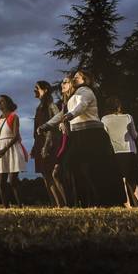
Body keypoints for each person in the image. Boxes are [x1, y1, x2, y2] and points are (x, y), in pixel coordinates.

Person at [38, 71, 125, 207]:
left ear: (85, 79)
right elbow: (62, 113)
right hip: (78, 136)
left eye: (77, 76)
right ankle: (84, 202)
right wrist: (46, 125)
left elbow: (82, 106)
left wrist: (70, 115)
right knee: (70, 167)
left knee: (95, 169)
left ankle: (103, 202)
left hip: (92, 134)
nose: (74, 78)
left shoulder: (86, 91)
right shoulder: (73, 96)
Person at [31, 80, 65, 207]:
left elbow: (55, 124)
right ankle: (55, 204)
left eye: (37, 88)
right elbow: (36, 130)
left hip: (50, 143)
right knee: (45, 176)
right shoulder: (38, 108)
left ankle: (63, 204)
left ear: (45, 90)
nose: (34, 90)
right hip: (40, 143)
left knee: (52, 174)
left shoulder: (51, 106)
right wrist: (35, 147)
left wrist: (46, 146)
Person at [101, 96, 138, 207]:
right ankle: (137, 204)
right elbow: (135, 135)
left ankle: (127, 205)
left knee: (122, 180)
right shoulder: (128, 117)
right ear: (119, 107)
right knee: (133, 180)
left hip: (115, 151)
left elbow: (104, 137)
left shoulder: (104, 119)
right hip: (130, 150)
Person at [0, 94, 27, 207]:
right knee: (1, 182)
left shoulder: (14, 116)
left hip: (12, 149)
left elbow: (16, 136)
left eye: (1, 101)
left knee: (13, 181)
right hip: (1, 149)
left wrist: (4, 150)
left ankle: (20, 205)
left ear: (7, 103)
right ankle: (5, 207)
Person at [51, 75, 74, 206]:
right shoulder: (64, 103)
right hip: (65, 140)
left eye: (65, 82)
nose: (62, 85)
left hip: (71, 140)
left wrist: (65, 123)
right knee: (58, 173)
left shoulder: (74, 100)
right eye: (62, 83)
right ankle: (67, 204)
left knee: (60, 173)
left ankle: (69, 204)